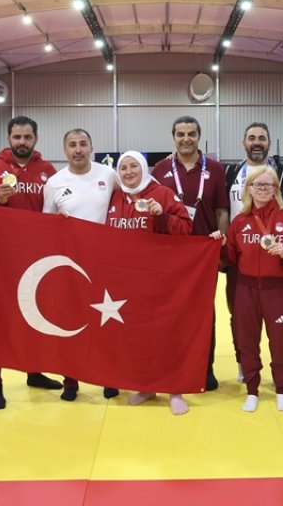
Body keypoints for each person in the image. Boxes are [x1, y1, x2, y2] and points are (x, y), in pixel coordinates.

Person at [0, 116, 64, 406]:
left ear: (36, 139)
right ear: (9, 138)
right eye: (17, 137)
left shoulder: (48, 171)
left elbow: (59, 209)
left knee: (34, 314)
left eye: (27, 137)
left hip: (36, 257)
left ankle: (34, 371)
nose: (22, 142)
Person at [212, 167, 283, 412]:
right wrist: (222, 245)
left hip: (277, 291)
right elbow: (231, 257)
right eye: (258, 185)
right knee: (247, 341)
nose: (264, 190)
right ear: (249, 189)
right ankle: (252, 389)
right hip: (245, 289)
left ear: (276, 189)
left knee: (280, 342)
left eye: (269, 185)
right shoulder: (240, 221)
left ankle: (281, 389)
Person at [222, 123, 283, 383]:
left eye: (262, 138)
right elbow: (222, 210)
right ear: (244, 143)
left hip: (275, 262)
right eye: (251, 138)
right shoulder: (230, 172)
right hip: (242, 258)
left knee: (277, 323)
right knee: (238, 318)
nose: (256, 142)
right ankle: (243, 362)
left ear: (269, 143)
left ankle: (279, 373)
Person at [106, 150, 193, 414]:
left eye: (134, 166)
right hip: (126, 279)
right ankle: (146, 386)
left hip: (159, 278)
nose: (129, 172)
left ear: (144, 168)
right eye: (123, 168)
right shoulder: (115, 196)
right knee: (138, 336)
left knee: (165, 335)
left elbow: (186, 226)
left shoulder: (163, 194)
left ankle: (175, 389)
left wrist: (162, 217)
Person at [151, 116, 229, 391]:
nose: (186, 139)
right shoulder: (159, 169)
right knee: (171, 312)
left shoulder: (216, 170)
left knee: (204, 313)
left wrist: (221, 245)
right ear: (173, 137)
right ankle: (171, 366)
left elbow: (222, 211)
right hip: (170, 253)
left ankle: (204, 368)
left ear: (199, 136)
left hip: (202, 254)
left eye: (191, 134)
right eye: (181, 134)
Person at [42, 129, 118, 401]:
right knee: (72, 323)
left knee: (105, 322)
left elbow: (130, 200)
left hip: (105, 261)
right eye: (72, 145)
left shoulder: (108, 175)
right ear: (65, 151)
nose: (78, 150)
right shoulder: (53, 182)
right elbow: (46, 224)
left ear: (91, 147)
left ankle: (109, 377)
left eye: (83, 144)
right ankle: (70, 381)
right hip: (70, 264)